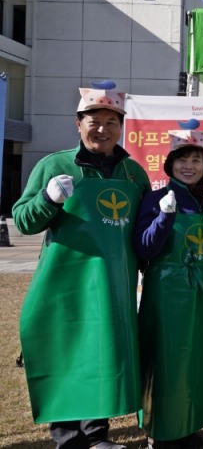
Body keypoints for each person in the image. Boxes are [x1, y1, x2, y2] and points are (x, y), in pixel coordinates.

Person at [13, 81, 150, 449]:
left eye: (111, 122)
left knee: (102, 354)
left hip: (113, 283)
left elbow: (145, 229)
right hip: (66, 281)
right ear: (78, 123)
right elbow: (24, 220)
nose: (102, 129)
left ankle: (96, 434)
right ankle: (69, 437)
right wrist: (47, 198)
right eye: (94, 120)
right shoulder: (53, 165)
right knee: (66, 350)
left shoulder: (134, 173)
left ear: (121, 127)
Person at [134, 123, 203, 448]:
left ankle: (189, 423)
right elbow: (144, 248)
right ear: (170, 164)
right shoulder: (155, 198)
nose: (188, 166)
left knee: (197, 359)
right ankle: (161, 432)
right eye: (182, 159)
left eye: (196, 160)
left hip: (202, 291)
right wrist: (163, 217)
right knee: (168, 360)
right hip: (167, 291)